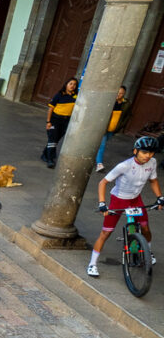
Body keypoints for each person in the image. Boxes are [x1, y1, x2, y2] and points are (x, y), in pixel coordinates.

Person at [88, 136, 163, 278]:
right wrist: (102, 203)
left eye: (151, 152)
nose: (148, 156)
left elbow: (153, 181)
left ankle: (148, 253)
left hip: (136, 200)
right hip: (119, 200)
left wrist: (160, 197)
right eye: (144, 152)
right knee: (106, 233)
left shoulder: (152, 162)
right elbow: (103, 182)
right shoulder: (124, 166)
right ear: (135, 151)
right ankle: (92, 264)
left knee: (146, 228)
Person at [41, 77, 78, 169]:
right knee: (52, 139)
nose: (72, 86)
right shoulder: (59, 95)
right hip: (55, 120)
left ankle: (44, 155)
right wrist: (48, 121)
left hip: (66, 121)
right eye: (70, 84)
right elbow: (51, 109)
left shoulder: (75, 96)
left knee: (55, 140)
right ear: (66, 85)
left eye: (74, 84)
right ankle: (50, 160)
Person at [96, 86, 130, 172]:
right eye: (117, 92)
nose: (118, 95)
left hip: (113, 129)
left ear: (124, 94)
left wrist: (121, 125)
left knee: (100, 144)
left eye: (121, 93)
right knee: (102, 145)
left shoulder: (126, 103)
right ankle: (99, 164)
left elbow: (127, 116)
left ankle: (94, 156)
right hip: (104, 127)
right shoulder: (109, 101)